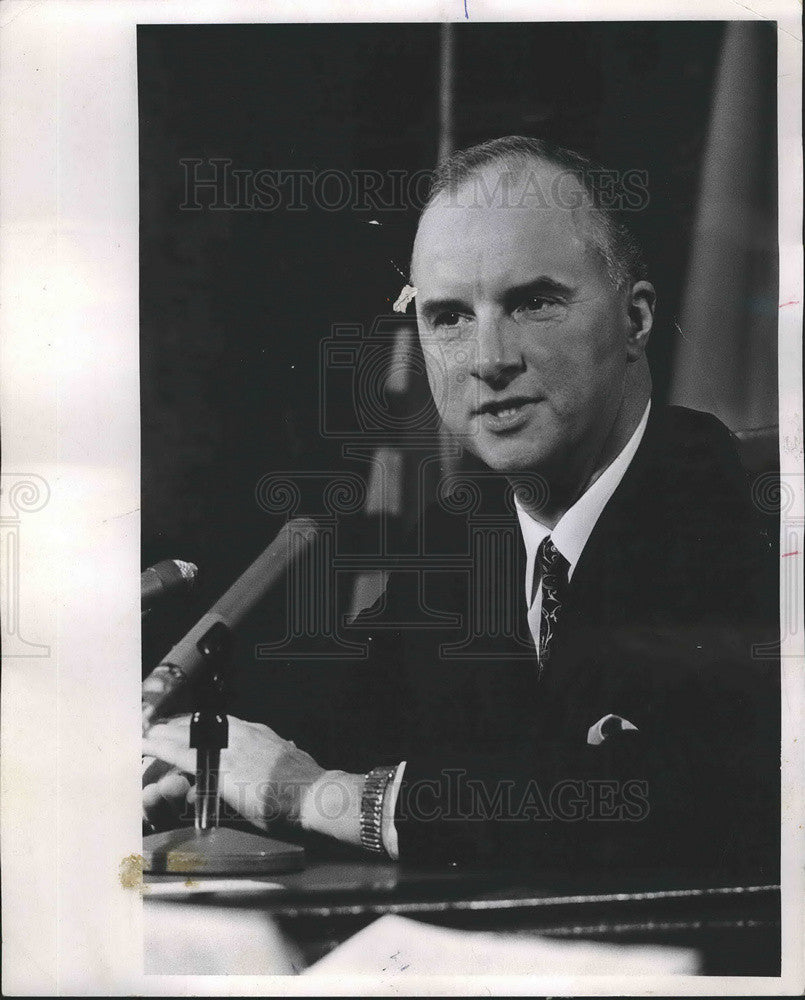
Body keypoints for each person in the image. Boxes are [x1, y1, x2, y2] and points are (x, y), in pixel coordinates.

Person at [143, 137, 779, 881]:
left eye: (533, 302)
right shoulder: (466, 525)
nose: (486, 358)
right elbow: (347, 720)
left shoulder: (747, 518)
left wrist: (316, 796)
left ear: (635, 320)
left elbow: (672, 802)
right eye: (448, 316)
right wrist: (208, 781)